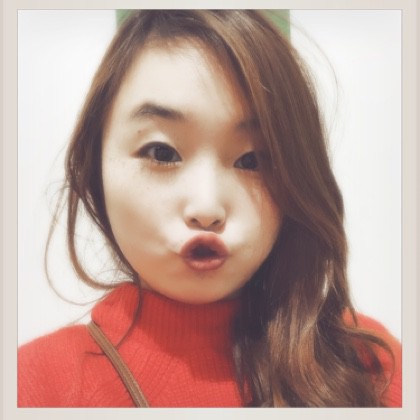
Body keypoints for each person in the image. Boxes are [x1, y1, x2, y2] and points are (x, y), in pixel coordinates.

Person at [18, 10, 401, 407]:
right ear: (95, 164)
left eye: (252, 160)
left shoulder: (371, 367)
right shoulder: (35, 385)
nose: (206, 207)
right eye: (161, 152)